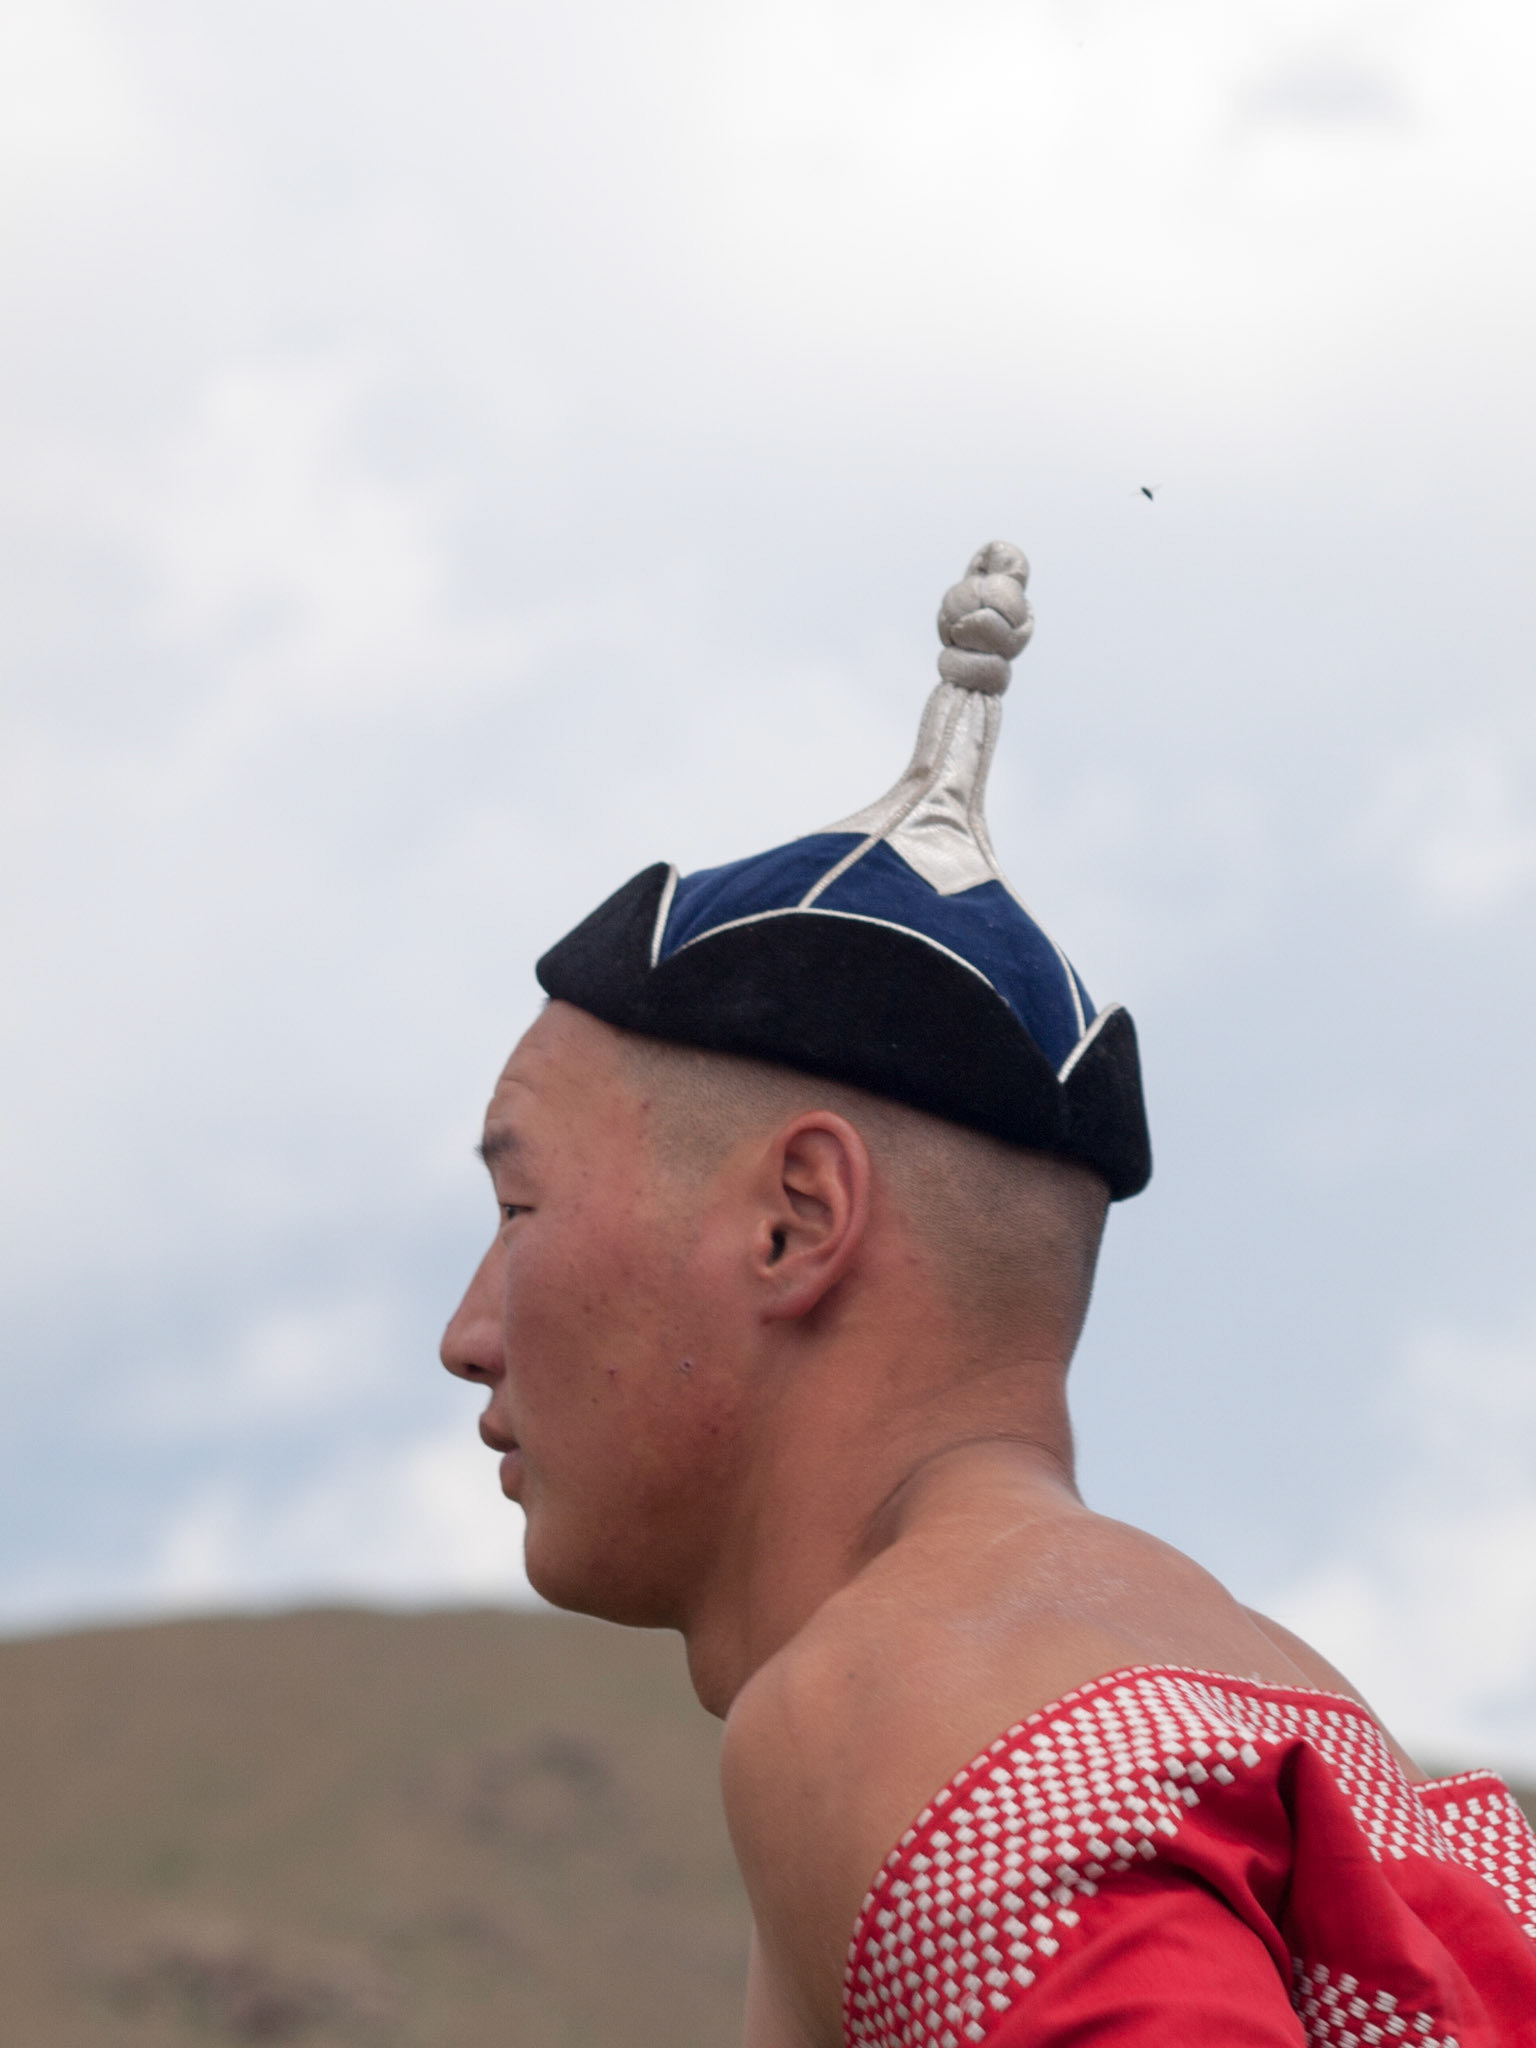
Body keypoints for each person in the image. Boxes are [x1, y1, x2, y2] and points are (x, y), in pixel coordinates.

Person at [441, 545, 1536, 2046]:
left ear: (795, 1220)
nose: (468, 1333)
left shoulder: (912, 1709)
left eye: (520, 1209)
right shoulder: (1302, 1717)